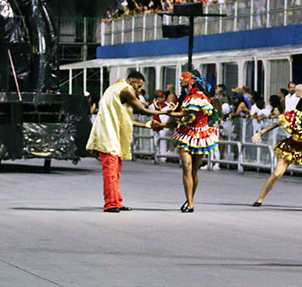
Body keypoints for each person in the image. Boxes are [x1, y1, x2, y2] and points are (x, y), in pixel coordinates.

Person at [85, 70, 163, 212]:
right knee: (111, 171)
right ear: (132, 81)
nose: (139, 90)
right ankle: (111, 204)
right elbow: (141, 110)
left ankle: (116, 201)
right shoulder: (126, 90)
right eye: (138, 86)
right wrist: (165, 112)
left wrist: (144, 124)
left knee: (115, 171)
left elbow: (125, 119)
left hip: (110, 135)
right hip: (108, 137)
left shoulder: (114, 88)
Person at [251, 97, 302, 208]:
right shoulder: (295, 115)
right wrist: (260, 133)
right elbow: (277, 124)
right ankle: (260, 198)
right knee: (277, 174)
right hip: (291, 147)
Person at [169, 71, 219, 213]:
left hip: (200, 134)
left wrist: (168, 113)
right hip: (186, 134)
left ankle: (189, 200)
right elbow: (181, 118)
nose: (180, 80)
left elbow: (187, 115)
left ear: (191, 81)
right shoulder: (185, 98)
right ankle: (190, 203)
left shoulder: (199, 97)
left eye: (183, 78)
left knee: (194, 171)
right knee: (187, 167)